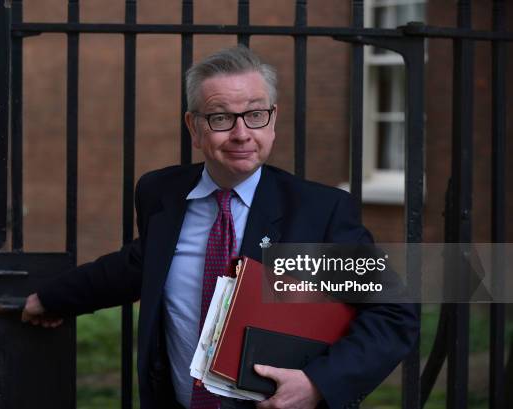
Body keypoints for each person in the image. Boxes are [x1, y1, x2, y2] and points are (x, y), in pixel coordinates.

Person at [22, 45, 419, 409]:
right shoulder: (162, 194)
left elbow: (393, 313)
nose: (242, 133)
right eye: (221, 118)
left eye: (255, 114)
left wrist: (317, 383)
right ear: (194, 127)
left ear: (273, 119)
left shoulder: (317, 213)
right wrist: (51, 299)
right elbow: (141, 264)